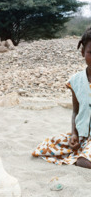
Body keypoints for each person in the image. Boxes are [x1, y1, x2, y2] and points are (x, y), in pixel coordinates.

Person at [32, 27, 91, 169]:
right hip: (82, 137)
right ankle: (80, 154)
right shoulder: (76, 81)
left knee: (84, 161)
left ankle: (80, 156)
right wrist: (73, 134)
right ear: (83, 52)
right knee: (44, 147)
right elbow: (75, 112)